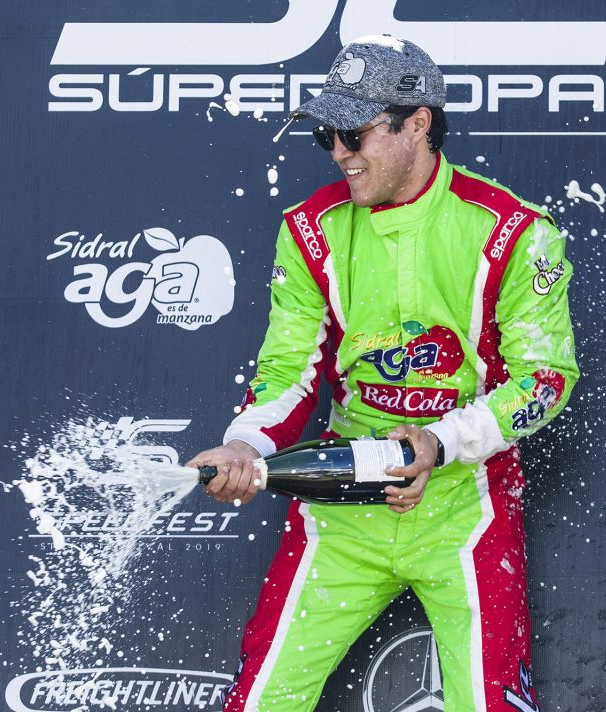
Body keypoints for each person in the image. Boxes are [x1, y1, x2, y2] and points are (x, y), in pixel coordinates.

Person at [188, 35, 579, 712]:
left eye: (354, 133)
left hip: (465, 507)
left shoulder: (513, 231)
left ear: (417, 123)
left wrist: (438, 442)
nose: (339, 152)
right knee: (257, 703)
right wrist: (245, 445)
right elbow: (289, 369)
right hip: (341, 508)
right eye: (327, 136)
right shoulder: (311, 229)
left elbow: (545, 379)